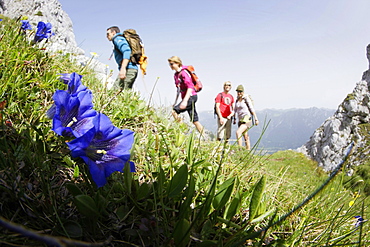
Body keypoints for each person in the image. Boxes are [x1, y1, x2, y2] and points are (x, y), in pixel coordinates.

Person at [168, 56, 203, 133]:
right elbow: (178, 89)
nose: (170, 66)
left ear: (177, 63)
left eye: (171, 64)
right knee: (195, 120)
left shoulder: (183, 73)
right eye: (169, 64)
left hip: (190, 96)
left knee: (174, 112)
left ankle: (184, 131)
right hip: (188, 97)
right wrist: (175, 102)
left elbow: (190, 87)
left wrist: (185, 101)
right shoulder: (176, 75)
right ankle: (204, 136)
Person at [233, 85, 259, 150]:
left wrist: (256, 119)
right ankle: (248, 151)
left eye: (240, 91)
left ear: (243, 91)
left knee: (238, 132)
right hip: (240, 120)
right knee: (246, 136)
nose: (239, 93)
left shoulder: (246, 98)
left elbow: (251, 108)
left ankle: (240, 150)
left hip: (247, 119)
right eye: (238, 91)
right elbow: (235, 110)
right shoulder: (237, 100)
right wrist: (234, 118)